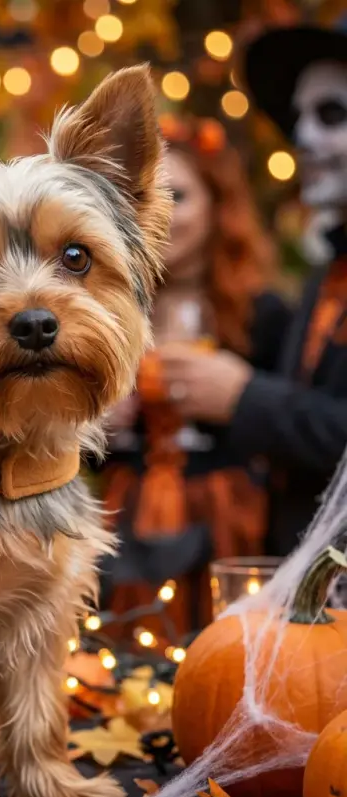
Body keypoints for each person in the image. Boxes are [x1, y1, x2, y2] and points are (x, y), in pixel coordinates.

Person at [158, 17, 347, 558]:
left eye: (331, 114)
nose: (303, 137)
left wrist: (243, 398)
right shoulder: (325, 276)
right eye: (299, 117)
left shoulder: (262, 310)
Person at [98, 115, 291, 636]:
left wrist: (237, 398)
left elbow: (293, 430)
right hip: (129, 515)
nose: (159, 214)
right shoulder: (107, 314)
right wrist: (98, 427)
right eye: (142, 198)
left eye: (179, 196)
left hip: (231, 517)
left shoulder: (261, 315)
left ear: (217, 206)